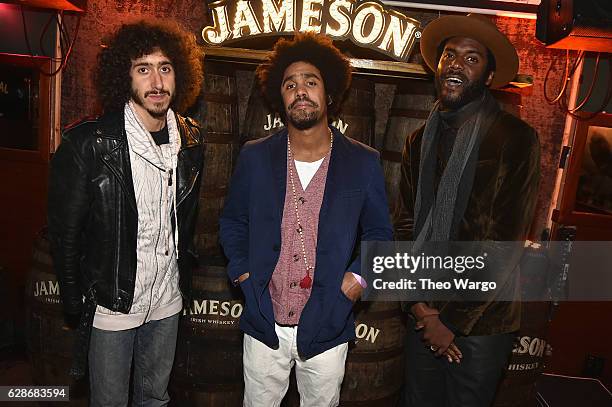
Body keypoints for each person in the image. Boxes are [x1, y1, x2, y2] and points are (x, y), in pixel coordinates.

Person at [219, 33, 393, 407]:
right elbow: (233, 222)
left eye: (310, 82)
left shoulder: (363, 162)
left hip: (329, 324)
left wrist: (357, 279)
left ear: (329, 95)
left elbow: (380, 234)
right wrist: (243, 273)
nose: (300, 91)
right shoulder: (254, 156)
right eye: (290, 84)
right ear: (280, 98)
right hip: (265, 321)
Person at [47, 20, 204, 406]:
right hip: (112, 306)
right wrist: (75, 303)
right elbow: (65, 233)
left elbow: (183, 224)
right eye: (143, 68)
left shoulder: (192, 139)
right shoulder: (88, 142)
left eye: (165, 68)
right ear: (124, 76)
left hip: (167, 300)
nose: (157, 81)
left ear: (178, 74)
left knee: (155, 397)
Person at [393, 13, 541, 407]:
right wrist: (422, 309)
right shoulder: (418, 140)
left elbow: (503, 243)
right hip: (424, 311)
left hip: (482, 322)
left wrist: (450, 322)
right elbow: (405, 225)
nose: (456, 63)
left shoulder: (515, 139)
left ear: (489, 77)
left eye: (472, 58)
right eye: (449, 55)